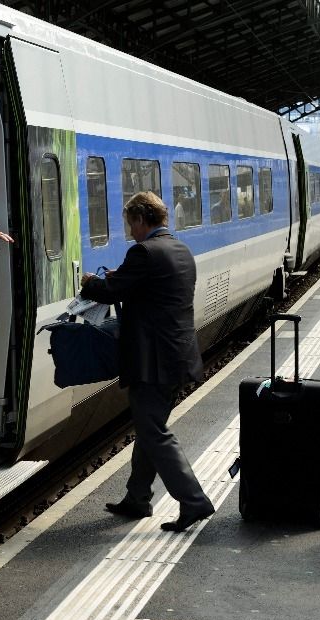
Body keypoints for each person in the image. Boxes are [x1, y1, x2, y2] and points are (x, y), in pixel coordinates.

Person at [80, 191, 214, 533]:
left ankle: (193, 500)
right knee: (148, 428)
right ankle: (137, 498)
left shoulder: (143, 252)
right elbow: (151, 289)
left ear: (141, 219)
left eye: (131, 224)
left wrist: (90, 283)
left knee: (154, 432)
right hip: (178, 355)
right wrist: (121, 278)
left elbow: (112, 292)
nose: (130, 231)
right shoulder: (179, 249)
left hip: (153, 361)